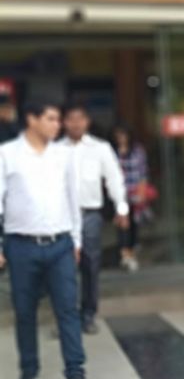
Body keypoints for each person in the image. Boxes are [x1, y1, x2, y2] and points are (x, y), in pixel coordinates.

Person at [0, 100, 91, 379]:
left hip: (60, 245)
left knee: (68, 310)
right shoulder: (7, 154)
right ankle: (29, 371)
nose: (57, 125)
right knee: (25, 311)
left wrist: (76, 240)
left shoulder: (63, 156)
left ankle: (75, 373)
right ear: (32, 119)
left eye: (58, 119)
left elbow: (73, 200)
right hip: (20, 246)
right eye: (51, 119)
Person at [60, 103, 130, 334]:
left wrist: (121, 208)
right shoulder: (55, 149)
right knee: (63, 268)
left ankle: (88, 314)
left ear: (87, 121)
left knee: (90, 265)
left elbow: (114, 178)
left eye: (80, 118)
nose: (76, 123)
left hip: (89, 215)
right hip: (61, 217)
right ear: (64, 122)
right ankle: (67, 318)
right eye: (71, 119)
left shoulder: (100, 148)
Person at [112, 125, 149, 272]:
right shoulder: (112, 152)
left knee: (133, 224)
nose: (121, 138)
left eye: (123, 135)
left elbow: (143, 172)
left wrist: (142, 192)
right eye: (118, 135)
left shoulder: (137, 151)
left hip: (135, 193)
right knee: (123, 223)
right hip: (120, 194)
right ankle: (125, 254)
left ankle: (131, 252)